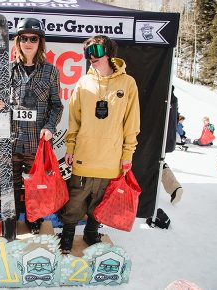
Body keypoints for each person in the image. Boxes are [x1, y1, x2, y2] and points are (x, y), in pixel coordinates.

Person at [58, 35, 140, 254]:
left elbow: (132, 122)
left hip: (111, 157)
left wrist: (127, 154)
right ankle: (67, 233)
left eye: (96, 50)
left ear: (109, 52)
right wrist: (71, 147)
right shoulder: (83, 82)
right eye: (87, 52)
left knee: (101, 199)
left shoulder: (128, 83)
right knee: (76, 198)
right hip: (85, 154)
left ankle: (91, 232)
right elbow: (74, 119)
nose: (91, 56)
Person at [0, 18, 63, 238]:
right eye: (24, 38)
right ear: (18, 41)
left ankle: (34, 220)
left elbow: (57, 106)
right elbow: (3, 106)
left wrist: (50, 126)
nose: (28, 42)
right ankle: (10, 222)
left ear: (40, 42)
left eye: (33, 38)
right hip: (12, 141)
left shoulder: (50, 71)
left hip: (35, 144)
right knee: (10, 188)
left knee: (35, 189)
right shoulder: (8, 70)